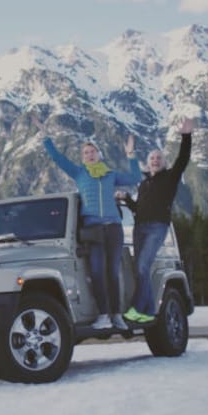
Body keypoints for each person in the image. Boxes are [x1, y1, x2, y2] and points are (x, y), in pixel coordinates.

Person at [35, 118, 141, 330]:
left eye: (92, 152)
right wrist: (45, 136)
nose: (89, 155)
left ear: (99, 154)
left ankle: (117, 315)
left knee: (113, 273)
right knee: (97, 272)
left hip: (114, 228)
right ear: (82, 158)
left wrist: (131, 155)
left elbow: (135, 177)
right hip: (93, 230)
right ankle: (103, 315)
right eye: (85, 153)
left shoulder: (110, 175)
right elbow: (57, 158)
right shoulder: (79, 173)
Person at [118, 118, 194, 324]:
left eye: (159, 158)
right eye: (152, 158)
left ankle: (136, 309)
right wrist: (126, 198)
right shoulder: (144, 183)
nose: (155, 160)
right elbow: (138, 209)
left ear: (164, 162)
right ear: (148, 162)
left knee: (143, 267)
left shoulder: (170, 177)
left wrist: (186, 136)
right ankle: (150, 311)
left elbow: (183, 159)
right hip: (139, 227)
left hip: (157, 228)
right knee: (139, 270)